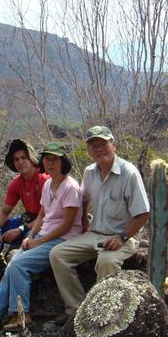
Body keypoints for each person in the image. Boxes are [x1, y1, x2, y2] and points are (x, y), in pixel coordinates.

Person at [0, 142, 83, 333]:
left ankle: (21, 314)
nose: (50, 164)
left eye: (55, 160)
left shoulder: (70, 187)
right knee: (12, 264)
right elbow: (42, 215)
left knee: (18, 265)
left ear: (63, 162)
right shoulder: (50, 183)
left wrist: (39, 240)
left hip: (63, 238)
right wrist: (31, 235)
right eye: (47, 159)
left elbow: (67, 224)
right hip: (42, 234)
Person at [49, 125, 150, 325]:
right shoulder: (90, 172)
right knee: (57, 254)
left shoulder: (129, 173)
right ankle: (76, 309)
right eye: (94, 145)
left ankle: (100, 316)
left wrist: (121, 237)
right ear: (89, 150)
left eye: (103, 144)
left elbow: (143, 213)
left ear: (114, 145)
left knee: (106, 262)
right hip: (95, 233)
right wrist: (84, 221)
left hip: (123, 236)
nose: (99, 149)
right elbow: (84, 197)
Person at [0, 139, 49, 285]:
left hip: (44, 223)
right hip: (28, 218)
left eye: (23, 158)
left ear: (32, 159)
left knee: (28, 239)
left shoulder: (44, 180)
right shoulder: (17, 182)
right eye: (16, 159)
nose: (20, 162)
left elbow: (49, 215)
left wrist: (20, 229)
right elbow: (4, 212)